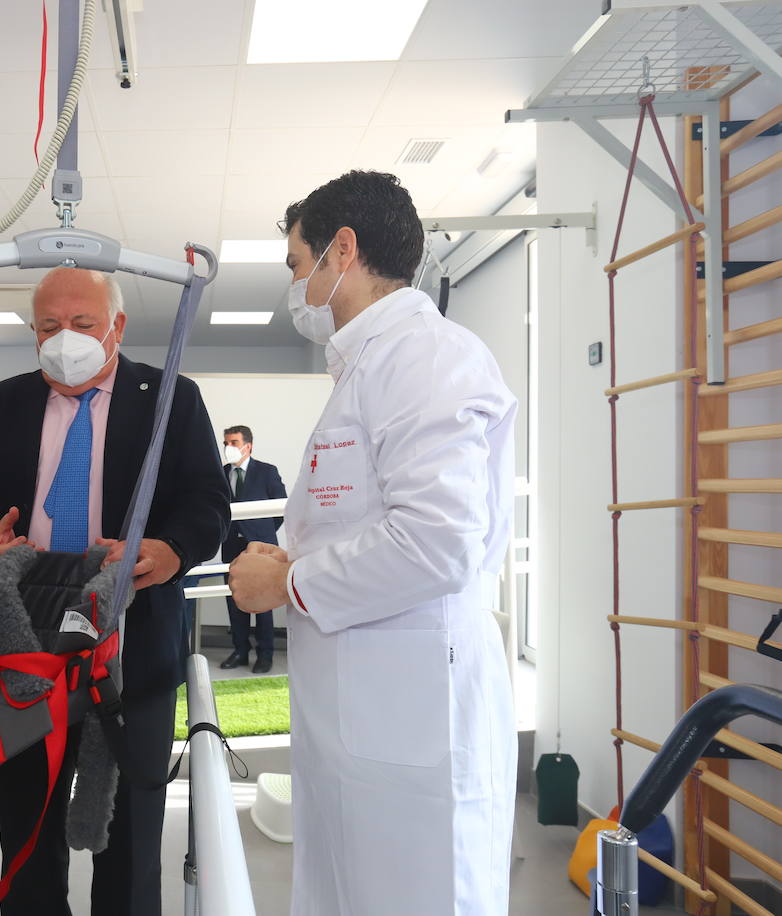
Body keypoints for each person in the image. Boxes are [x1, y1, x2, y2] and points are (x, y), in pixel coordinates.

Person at [227, 170, 517, 916]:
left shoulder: (427, 359)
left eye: (299, 264)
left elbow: (437, 541)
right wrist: (286, 559)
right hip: (361, 724)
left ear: (342, 251)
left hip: (416, 728)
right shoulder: (366, 369)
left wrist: (287, 583)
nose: (296, 287)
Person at [0, 267, 230, 915]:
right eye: (49, 326)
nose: (66, 339)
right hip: (25, 645)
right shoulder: (0, 405)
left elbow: (206, 502)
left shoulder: (171, 397)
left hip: (133, 643)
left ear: (117, 325)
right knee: (28, 828)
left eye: (83, 324)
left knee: (128, 834)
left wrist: (169, 550)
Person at [217, 425, 286, 673]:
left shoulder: (267, 472)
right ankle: (240, 651)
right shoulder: (220, 473)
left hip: (261, 548)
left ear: (249, 445)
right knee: (235, 600)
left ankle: (265, 655)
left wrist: (261, 534)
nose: (229, 448)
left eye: (234, 442)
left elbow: (280, 510)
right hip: (231, 546)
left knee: (263, 602)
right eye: (226, 443)